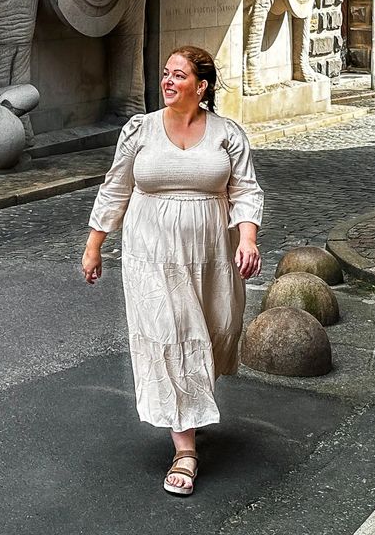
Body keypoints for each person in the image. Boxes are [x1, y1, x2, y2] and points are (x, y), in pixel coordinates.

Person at [82, 45, 264, 497]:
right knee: (170, 335)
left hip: (212, 254)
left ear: (201, 87)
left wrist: (247, 238)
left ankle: (190, 401)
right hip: (151, 253)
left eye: (178, 75)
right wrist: (94, 247)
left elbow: (245, 190)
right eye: (165, 73)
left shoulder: (227, 133)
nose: (167, 81)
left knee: (216, 331)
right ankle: (185, 449)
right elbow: (115, 187)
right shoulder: (140, 130)